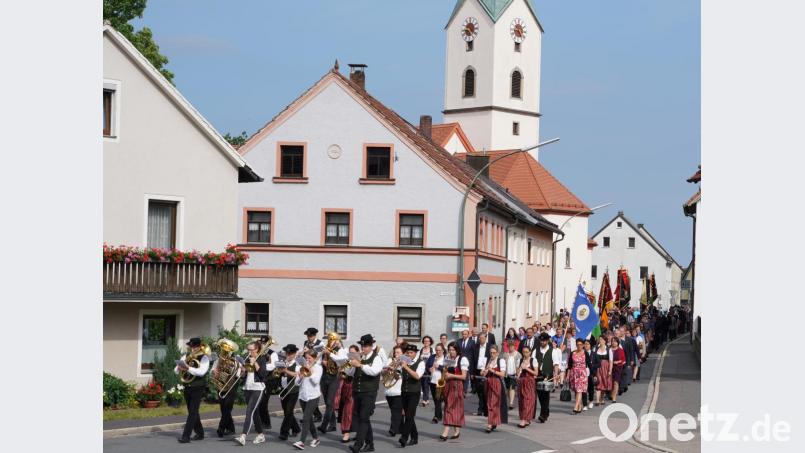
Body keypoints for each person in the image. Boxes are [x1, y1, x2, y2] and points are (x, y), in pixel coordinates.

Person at [346, 334, 384, 453]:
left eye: (366, 346)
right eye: (362, 346)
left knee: (363, 418)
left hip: (369, 392)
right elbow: (351, 373)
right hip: (357, 391)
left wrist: (360, 365)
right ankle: (370, 444)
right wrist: (351, 365)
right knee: (363, 418)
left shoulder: (376, 358)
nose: (363, 348)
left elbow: (374, 371)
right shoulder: (359, 357)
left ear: (371, 346)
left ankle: (358, 445)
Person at [174, 337, 210, 443]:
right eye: (192, 346)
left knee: (192, 412)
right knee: (192, 411)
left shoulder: (204, 358)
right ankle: (200, 433)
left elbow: (202, 372)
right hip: (187, 385)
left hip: (198, 386)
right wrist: (178, 368)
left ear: (200, 347)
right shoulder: (186, 356)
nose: (193, 349)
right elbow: (176, 370)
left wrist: (188, 368)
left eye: (195, 347)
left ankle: (186, 436)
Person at [235, 341, 269, 446]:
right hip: (248, 387)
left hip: (258, 388)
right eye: (248, 349)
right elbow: (242, 376)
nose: (249, 352)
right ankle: (261, 435)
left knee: (249, 411)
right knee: (255, 413)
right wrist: (242, 370)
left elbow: (263, 375)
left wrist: (255, 363)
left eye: (251, 350)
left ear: (257, 349)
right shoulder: (246, 358)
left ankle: (243, 436)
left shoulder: (262, 359)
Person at [292, 349, 323, 450]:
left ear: (314, 358)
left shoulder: (318, 368)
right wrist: (300, 376)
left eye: (309, 358)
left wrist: (311, 372)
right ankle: (316, 438)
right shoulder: (302, 367)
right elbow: (296, 383)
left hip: (313, 396)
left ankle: (302, 442)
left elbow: (316, 381)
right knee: (308, 419)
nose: (307, 360)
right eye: (306, 358)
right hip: (303, 396)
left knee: (305, 418)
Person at [398, 344, 426, 447]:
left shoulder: (420, 363)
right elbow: (400, 375)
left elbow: (417, 376)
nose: (409, 355)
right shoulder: (404, 361)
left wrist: (406, 367)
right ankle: (414, 437)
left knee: (409, 415)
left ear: (415, 353)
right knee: (408, 415)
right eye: (408, 353)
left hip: (414, 392)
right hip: (404, 391)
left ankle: (404, 437)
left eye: (411, 353)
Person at [440, 342, 469, 441]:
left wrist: (452, 375)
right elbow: (445, 372)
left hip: (457, 385)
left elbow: (464, 376)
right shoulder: (448, 359)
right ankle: (457, 431)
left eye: (453, 350)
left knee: (450, 407)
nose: (451, 352)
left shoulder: (462, 359)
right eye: (450, 350)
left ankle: (445, 432)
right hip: (448, 384)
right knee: (453, 407)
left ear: (457, 350)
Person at [318, 334, 347, 434]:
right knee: (327, 402)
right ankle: (333, 424)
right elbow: (318, 360)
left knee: (330, 402)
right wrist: (322, 361)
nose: (330, 341)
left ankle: (324, 425)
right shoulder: (326, 349)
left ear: (337, 340)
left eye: (333, 339)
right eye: (330, 339)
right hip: (324, 377)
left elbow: (340, 360)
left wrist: (329, 354)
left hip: (334, 378)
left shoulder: (341, 350)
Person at [534, 333, 560, 423]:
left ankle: (543, 415)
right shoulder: (536, 350)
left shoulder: (553, 351)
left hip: (548, 375)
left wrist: (556, 374)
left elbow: (556, 364)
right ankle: (546, 410)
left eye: (544, 340)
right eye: (541, 340)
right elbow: (532, 361)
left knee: (545, 395)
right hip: (538, 375)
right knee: (540, 395)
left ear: (547, 341)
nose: (542, 342)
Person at [481, 344, 508, 433]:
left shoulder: (501, 361)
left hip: (496, 383)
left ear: (497, 353)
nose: (492, 354)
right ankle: (493, 422)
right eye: (491, 353)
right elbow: (483, 374)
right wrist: (484, 372)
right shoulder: (488, 361)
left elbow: (503, 374)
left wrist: (492, 370)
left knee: (493, 404)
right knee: (489, 403)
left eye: (494, 353)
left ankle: (490, 423)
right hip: (488, 383)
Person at [278, 344, 301, 441]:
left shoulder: (297, 364)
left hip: (293, 391)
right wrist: (279, 371)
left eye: (291, 353)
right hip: (283, 390)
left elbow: (297, 374)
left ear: (295, 354)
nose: (289, 355)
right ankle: (296, 428)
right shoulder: (284, 362)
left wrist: (286, 370)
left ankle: (284, 432)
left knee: (288, 411)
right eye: (287, 353)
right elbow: (280, 374)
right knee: (287, 412)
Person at [337, 345, 359, 443]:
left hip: (354, 388)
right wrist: (341, 371)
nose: (351, 354)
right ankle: (347, 433)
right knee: (344, 410)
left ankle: (350, 433)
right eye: (350, 352)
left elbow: (353, 374)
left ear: (357, 353)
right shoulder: (347, 362)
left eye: (353, 352)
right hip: (345, 387)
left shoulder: (359, 362)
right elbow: (342, 374)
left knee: (351, 411)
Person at [256, 335, 278, 431]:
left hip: (268, 380)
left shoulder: (272, 354)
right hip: (259, 379)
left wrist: (262, 366)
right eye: (262, 343)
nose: (263, 344)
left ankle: (267, 423)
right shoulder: (257, 352)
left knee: (263, 402)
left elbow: (273, 366)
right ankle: (261, 421)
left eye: (265, 343)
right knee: (259, 402)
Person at [302, 328, 324, 423]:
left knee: (313, 394)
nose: (309, 338)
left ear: (315, 335)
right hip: (308, 366)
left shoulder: (320, 344)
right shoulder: (306, 343)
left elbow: (318, 358)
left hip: (316, 368)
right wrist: (303, 353)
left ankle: (315, 415)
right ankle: (312, 415)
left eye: (310, 336)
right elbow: (305, 356)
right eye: (308, 336)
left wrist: (310, 350)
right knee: (306, 393)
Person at [384, 346, 404, 437]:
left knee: (396, 410)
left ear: (403, 353)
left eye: (399, 352)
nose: (397, 354)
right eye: (395, 352)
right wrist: (387, 369)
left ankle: (393, 429)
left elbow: (402, 375)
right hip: (389, 390)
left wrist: (396, 370)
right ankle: (401, 428)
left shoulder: (405, 363)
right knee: (395, 410)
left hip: (399, 390)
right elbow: (383, 371)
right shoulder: (390, 361)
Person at [567, 339, 590, 414]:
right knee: (576, 390)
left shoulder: (585, 353)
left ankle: (576, 407)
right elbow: (569, 365)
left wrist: (593, 374)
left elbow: (589, 364)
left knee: (579, 390)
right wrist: (567, 375)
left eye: (580, 344)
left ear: (583, 345)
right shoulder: (573, 353)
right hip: (574, 374)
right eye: (578, 344)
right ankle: (580, 406)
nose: (579, 346)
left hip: (582, 374)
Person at [471, 332, 492, 416]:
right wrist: (472, 372)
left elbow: (492, 359)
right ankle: (480, 409)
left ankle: (486, 409)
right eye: (479, 338)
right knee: (479, 391)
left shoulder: (490, 347)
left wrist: (487, 369)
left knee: (485, 391)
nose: (481, 339)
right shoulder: (475, 347)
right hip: (477, 371)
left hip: (486, 371)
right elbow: (472, 360)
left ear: (485, 338)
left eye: (482, 338)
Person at [516, 346, 537, 428]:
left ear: (530, 352)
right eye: (523, 352)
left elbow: (536, 373)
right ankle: (526, 419)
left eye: (527, 352)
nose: (525, 354)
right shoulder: (520, 360)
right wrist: (518, 371)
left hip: (530, 382)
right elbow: (517, 371)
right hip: (521, 381)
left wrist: (527, 368)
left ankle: (523, 420)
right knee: (521, 401)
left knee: (527, 400)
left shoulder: (533, 360)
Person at [427, 343, 446, 424]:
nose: (438, 352)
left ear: (443, 350)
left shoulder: (446, 358)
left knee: (438, 398)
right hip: (432, 380)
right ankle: (439, 415)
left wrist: (439, 367)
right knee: (435, 399)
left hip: (441, 380)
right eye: (436, 350)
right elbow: (427, 365)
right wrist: (429, 369)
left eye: (439, 350)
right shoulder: (432, 357)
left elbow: (448, 369)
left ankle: (436, 417)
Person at [502, 339, 521, 410]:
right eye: (509, 346)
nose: (511, 348)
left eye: (512, 346)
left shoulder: (518, 354)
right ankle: (510, 400)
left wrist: (517, 373)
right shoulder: (505, 354)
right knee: (507, 389)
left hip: (514, 373)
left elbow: (518, 365)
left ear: (514, 346)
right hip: (507, 374)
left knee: (512, 388)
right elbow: (503, 364)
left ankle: (511, 403)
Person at [593, 336, 613, 406]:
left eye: (602, 339)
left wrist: (610, 371)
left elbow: (610, 361)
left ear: (605, 341)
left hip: (605, 368)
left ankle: (602, 398)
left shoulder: (608, 350)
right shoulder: (595, 349)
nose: (600, 341)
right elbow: (593, 359)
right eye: (600, 339)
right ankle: (597, 400)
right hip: (598, 368)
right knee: (598, 383)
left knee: (604, 383)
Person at [418, 336, 434, 408]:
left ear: (430, 342)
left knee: (426, 384)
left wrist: (432, 368)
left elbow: (435, 359)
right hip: (421, 370)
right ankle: (426, 399)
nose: (426, 342)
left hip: (428, 370)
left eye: (427, 341)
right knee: (422, 385)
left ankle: (425, 399)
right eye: (425, 341)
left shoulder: (432, 350)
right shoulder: (420, 351)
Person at [610, 337, 626, 403]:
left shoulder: (620, 350)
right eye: (612, 341)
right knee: (610, 382)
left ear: (617, 343)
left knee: (616, 382)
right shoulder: (609, 349)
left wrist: (618, 361)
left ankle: (614, 397)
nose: (613, 342)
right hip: (610, 367)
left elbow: (623, 359)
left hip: (618, 368)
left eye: (615, 341)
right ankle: (611, 393)